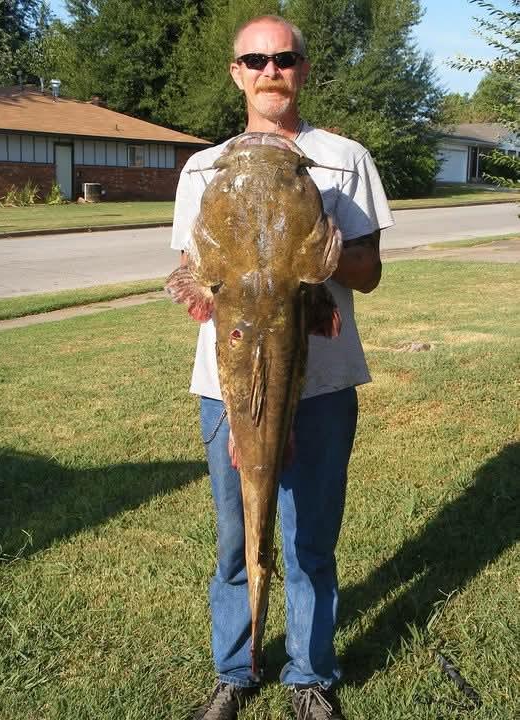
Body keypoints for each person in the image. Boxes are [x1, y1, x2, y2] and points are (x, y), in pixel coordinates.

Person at [170, 14, 394, 720]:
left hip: (321, 382)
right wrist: (192, 284)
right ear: (236, 72)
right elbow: (191, 268)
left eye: (285, 58)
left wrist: (332, 262)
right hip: (226, 385)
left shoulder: (345, 157)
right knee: (237, 536)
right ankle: (235, 671)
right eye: (256, 59)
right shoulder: (202, 166)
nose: (272, 69)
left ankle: (309, 676)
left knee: (311, 539)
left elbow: (370, 272)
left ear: (302, 69)